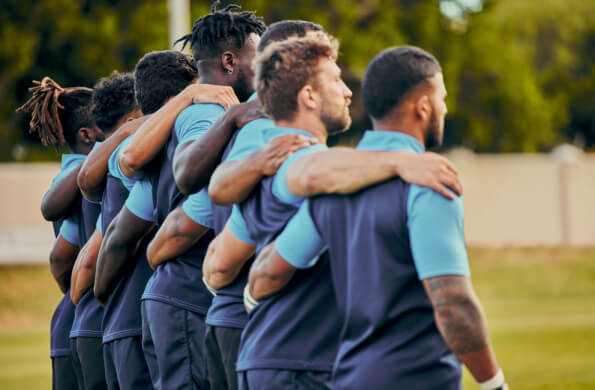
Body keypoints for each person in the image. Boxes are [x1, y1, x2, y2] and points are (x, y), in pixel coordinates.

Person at [249, 46, 508, 390]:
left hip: (349, 378)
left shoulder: (333, 186)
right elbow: (452, 303)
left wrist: (250, 301)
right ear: (424, 106)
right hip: (418, 378)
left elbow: (266, 273)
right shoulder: (430, 181)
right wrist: (493, 384)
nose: (445, 108)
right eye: (442, 98)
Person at [148, 20, 326, 390]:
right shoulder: (229, 117)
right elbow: (187, 188)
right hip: (222, 312)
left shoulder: (242, 123)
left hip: (218, 311)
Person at [107, 5, 266, 389]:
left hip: (179, 298)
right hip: (187, 298)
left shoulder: (201, 107)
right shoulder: (210, 112)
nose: (266, 67)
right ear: (230, 60)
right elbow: (189, 171)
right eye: (258, 56)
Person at [16, 77, 100, 390]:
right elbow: (62, 257)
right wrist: (78, 294)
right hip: (78, 318)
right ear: (87, 134)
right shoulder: (77, 180)